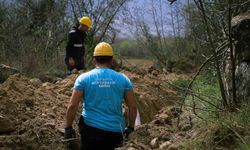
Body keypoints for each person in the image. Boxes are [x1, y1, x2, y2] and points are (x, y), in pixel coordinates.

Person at [64, 42, 137, 150]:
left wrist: (68, 127)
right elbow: (133, 107)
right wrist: (130, 128)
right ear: (111, 60)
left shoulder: (83, 78)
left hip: (90, 132)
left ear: (94, 59)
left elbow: (72, 106)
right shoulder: (123, 79)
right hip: (116, 132)